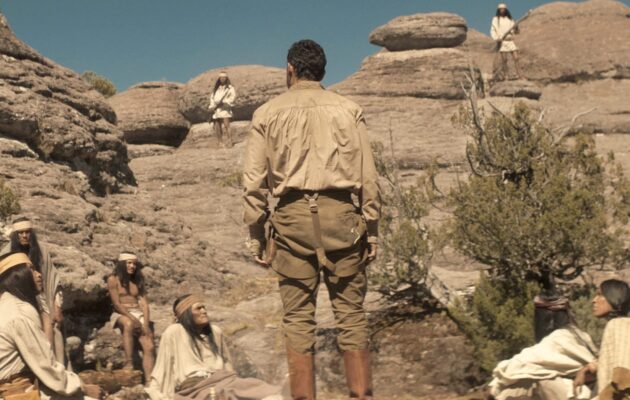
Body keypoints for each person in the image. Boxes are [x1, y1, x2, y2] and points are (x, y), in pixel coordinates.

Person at [243, 39, 381, 400]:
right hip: (343, 219)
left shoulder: (267, 113)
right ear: (322, 71)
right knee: (351, 317)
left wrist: (257, 233)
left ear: (290, 69)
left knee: (298, 321)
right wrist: (372, 228)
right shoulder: (348, 109)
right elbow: (368, 177)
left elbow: (254, 182)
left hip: (291, 222)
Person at [0, 252, 104, 400]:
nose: (39, 275)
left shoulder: (6, 305)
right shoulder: (20, 312)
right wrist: (82, 387)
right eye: (31, 270)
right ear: (17, 276)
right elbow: (45, 366)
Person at [145, 294, 282, 400]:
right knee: (222, 394)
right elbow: (163, 367)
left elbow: (227, 364)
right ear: (186, 314)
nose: (204, 311)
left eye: (204, 307)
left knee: (258, 387)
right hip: (196, 387)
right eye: (198, 308)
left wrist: (232, 379)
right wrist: (155, 391)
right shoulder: (175, 331)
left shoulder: (215, 331)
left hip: (224, 380)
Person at [487, 294, 597, 400]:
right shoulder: (580, 334)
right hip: (579, 389)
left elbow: (522, 362)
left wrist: (495, 386)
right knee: (526, 380)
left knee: (533, 383)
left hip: (574, 392)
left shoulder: (559, 337)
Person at [0, 217, 65, 364]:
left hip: (42, 300)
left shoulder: (41, 252)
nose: (24, 236)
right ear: (15, 235)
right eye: (20, 232)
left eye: (27, 232)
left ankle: (55, 369)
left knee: (53, 333)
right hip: (18, 302)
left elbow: (54, 279)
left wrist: (57, 307)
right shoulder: (6, 253)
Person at [574, 279, 630, 399]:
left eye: (600, 295)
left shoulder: (617, 324)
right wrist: (587, 368)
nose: (594, 300)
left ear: (613, 297)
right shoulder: (622, 324)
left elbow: (622, 375)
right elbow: (613, 359)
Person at [106, 252, 154, 381]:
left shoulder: (137, 280)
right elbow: (116, 304)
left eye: (134, 264)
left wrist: (145, 324)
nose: (132, 266)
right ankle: (129, 362)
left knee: (149, 345)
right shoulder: (113, 279)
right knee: (128, 324)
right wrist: (133, 318)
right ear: (122, 264)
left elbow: (144, 304)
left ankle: (149, 380)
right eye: (129, 263)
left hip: (137, 311)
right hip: (121, 313)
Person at [490, 3, 523, 80]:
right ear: (498, 10)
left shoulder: (510, 20)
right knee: (504, 60)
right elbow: (493, 30)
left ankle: (520, 75)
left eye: (503, 9)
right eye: (501, 9)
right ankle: (506, 76)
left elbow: (516, 31)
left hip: (510, 41)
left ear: (506, 10)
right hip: (503, 42)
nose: (502, 10)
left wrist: (516, 28)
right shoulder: (495, 19)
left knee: (516, 58)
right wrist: (496, 38)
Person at [208, 71, 237, 148]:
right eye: (221, 78)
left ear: (226, 78)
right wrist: (211, 106)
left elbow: (233, 97)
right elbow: (212, 98)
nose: (222, 79)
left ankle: (230, 141)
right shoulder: (216, 89)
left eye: (224, 78)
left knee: (227, 125)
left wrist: (225, 102)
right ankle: (220, 142)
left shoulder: (230, 88)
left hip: (224, 109)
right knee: (217, 126)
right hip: (216, 109)